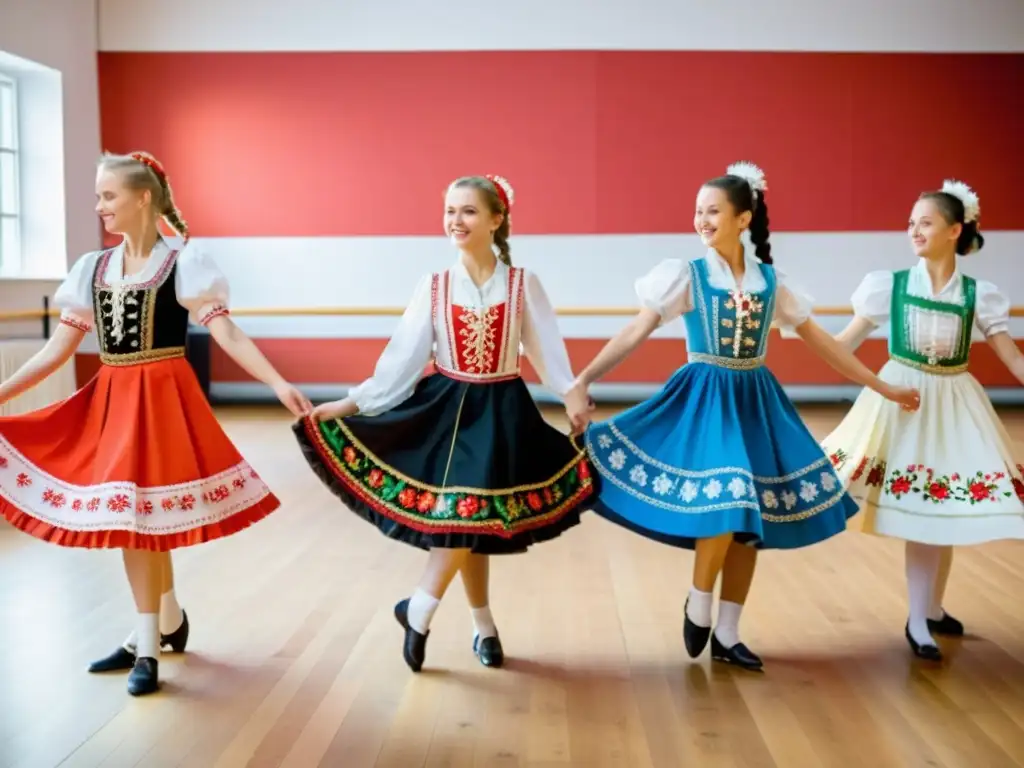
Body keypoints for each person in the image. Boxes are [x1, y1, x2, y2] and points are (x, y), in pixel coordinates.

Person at [564, 162, 921, 671]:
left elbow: (826, 346)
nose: (701, 220)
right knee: (727, 498)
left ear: (743, 218)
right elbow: (634, 331)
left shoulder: (772, 284)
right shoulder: (684, 276)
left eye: (712, 211)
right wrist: (584, 379)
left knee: (750, 517)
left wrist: (882, 386)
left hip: (755, 400)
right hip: (704, 398)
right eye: (697, 211)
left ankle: (728, 633)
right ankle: (699, 598)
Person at [0, 151, 311, 696]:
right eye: (99, 197)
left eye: (108, 196)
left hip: (165, 400)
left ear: (143, 198)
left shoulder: (183, 264)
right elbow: (56, 351)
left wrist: (277, 383)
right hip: (114, 403)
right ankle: (163, 623)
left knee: (145, 520)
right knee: (135, 519)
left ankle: (149, 645)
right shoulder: (91, 270)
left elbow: (228, 333)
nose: (100, 207)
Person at [294, 174, 594, 672]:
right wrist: (349, 405)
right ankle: (446, 617)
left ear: (497, 220)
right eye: (450, 210)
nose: (456, 220)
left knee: (469, 517)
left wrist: (572, 397)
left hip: (502, 414)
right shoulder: (434, 286)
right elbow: (401, 363)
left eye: (469, 211)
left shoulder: (522, 284)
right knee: (466, 515)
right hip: (446, 412)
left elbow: (548, 353)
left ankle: (438, 614)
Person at [821, 180, 1024, 661]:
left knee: (945, 510)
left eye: (925, 222)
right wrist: (792, 330)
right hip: (901, 402)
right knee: (926, 516)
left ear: (955, 230)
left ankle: (931, 609)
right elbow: (840, 345)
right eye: (911, 222)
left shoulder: (980, 294)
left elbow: (1014, 359)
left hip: (954, 404)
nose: (914, 230)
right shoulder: (886, 286)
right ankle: (918, 620)